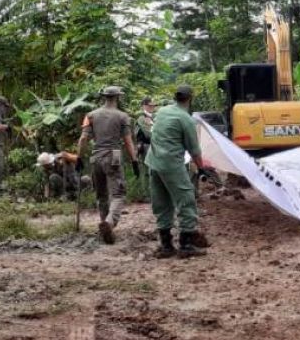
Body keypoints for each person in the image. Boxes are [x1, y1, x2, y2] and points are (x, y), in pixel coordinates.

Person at [145, 85, 211, 258]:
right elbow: (195, 150)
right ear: (190, 98)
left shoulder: (162, 111)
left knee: (162, 202)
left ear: (175, 97)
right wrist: (202, 168)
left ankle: (166, 246)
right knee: (186, 199)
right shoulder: (186, 119)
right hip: (171, 164)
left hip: (153, 162)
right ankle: (186, 245)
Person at [76, 86, 140, 245]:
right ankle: (110, 222)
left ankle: (104, 225)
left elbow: (83, 139)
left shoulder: (90, 115)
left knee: (101, 195)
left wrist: (79, 158)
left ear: (104, 97)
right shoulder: (123, 116)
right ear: (118, 97)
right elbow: (128, 141)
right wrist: (134, 160)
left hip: (96, 156)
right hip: (114, 156)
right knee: (118, 194)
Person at [135, 96, 157, 196]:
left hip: (154, 145)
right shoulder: (142, 118)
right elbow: (148, 134)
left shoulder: (153, 117)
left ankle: (151, 192)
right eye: (150, 105)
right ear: (144, 106)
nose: (152, 107)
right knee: (146, 170)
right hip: (146, 146)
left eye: (153, 105)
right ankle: (145, 194)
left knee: (153, 170)